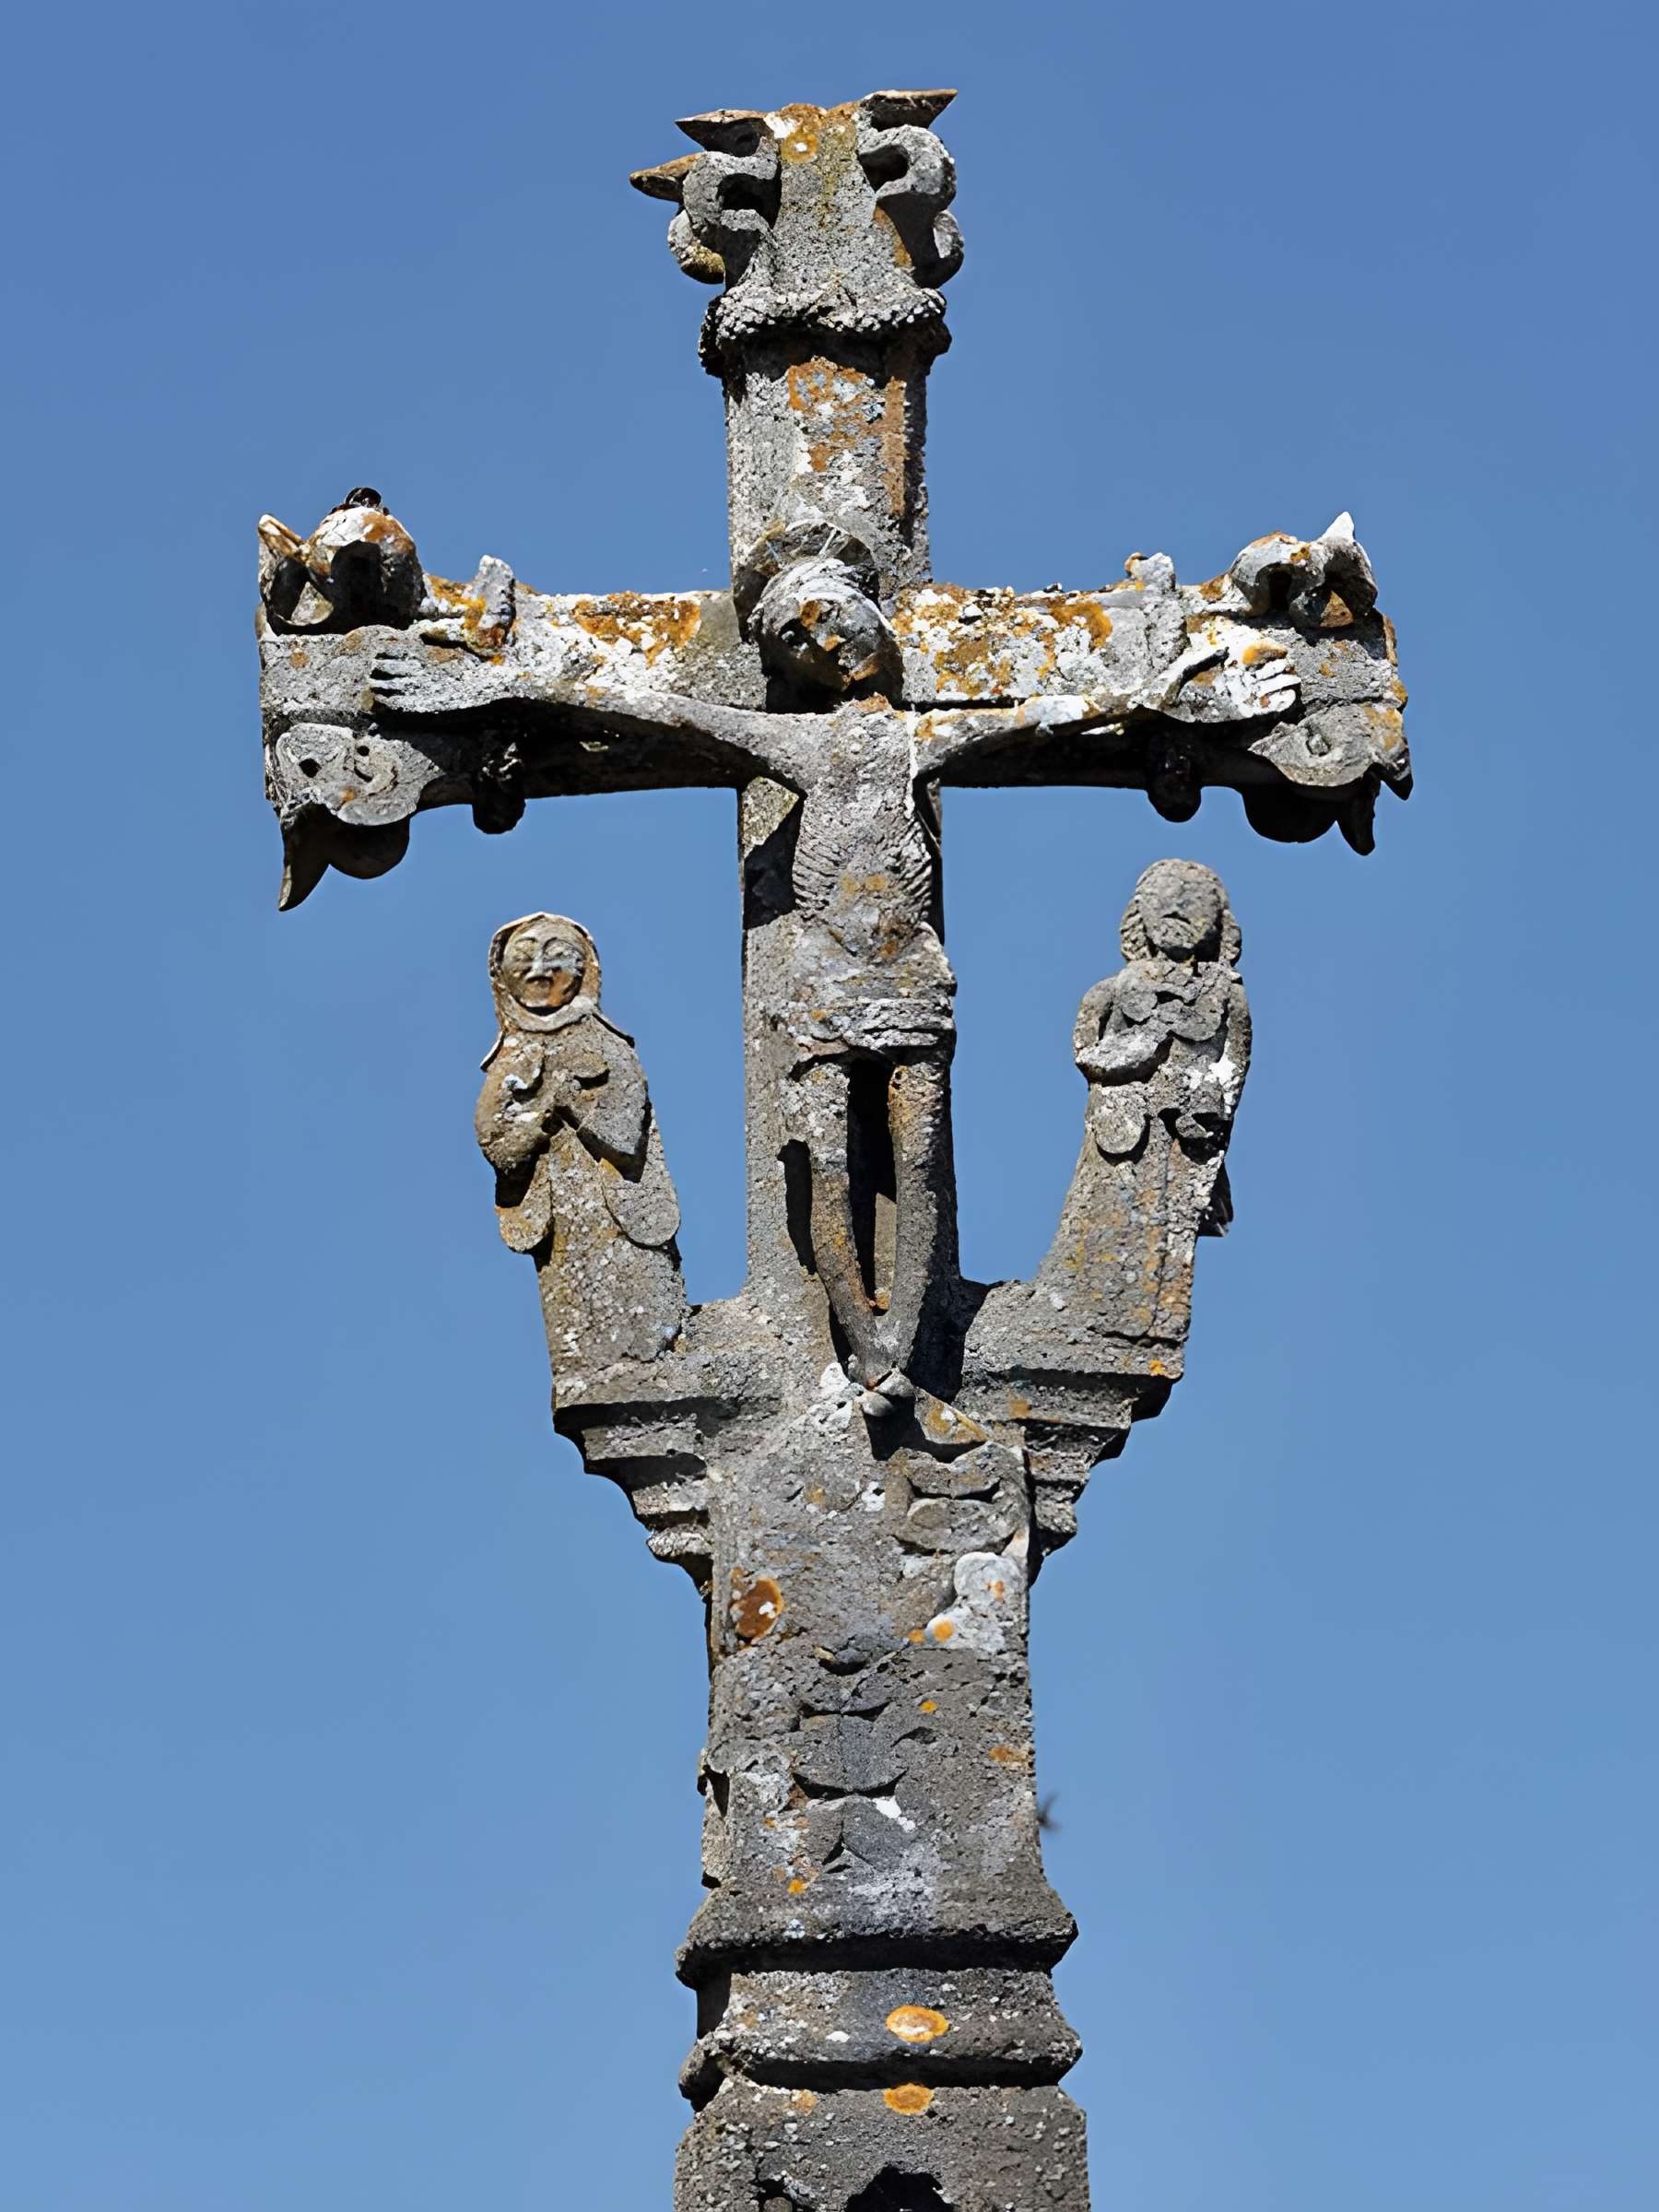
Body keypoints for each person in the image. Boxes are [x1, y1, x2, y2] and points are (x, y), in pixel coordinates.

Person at [476, 915, 685, 1383]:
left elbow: (625, 1140)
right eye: (524, 958)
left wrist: (572, 1103)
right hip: (561, 1227)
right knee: (581, 1347)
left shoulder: (608, 1048)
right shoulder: (508, 1061)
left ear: (584, 966)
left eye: (555, 955)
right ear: (502, 977)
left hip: (622, 1220)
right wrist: (541, 1120)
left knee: (644, 1339)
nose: (539, 970)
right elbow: (499, 1146)